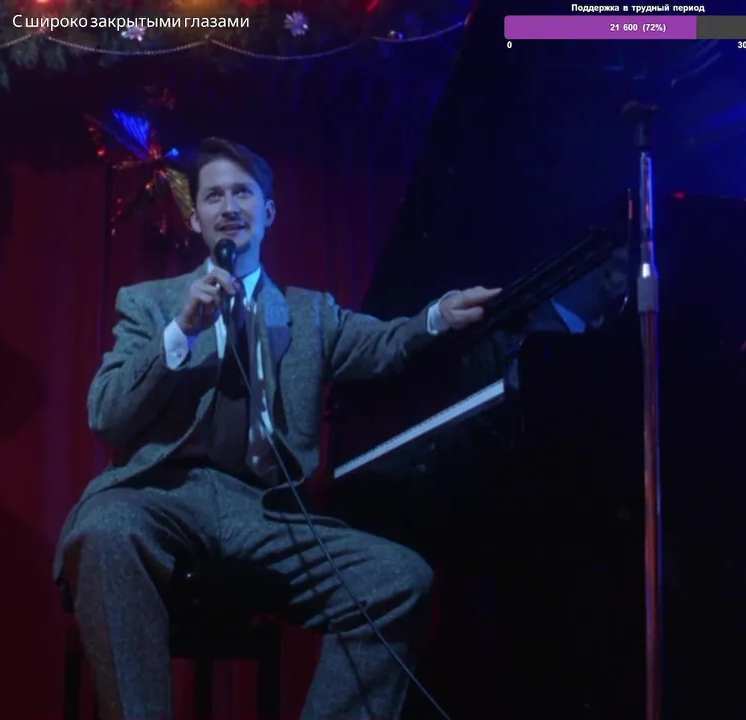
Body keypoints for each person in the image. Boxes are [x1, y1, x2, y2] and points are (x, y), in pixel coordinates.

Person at [54, 137, 500, 719]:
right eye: (214, 196)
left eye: (243, 194)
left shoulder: (311, 313)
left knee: (399, 578)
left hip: (262, 513)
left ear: (268, 213)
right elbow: (106, 414)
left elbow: (386, 343)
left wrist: (436, 316)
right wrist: (181, 332)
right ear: (195, 218)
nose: (229, 207)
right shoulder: (150, 304)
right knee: (104, 529)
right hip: (161, 498)